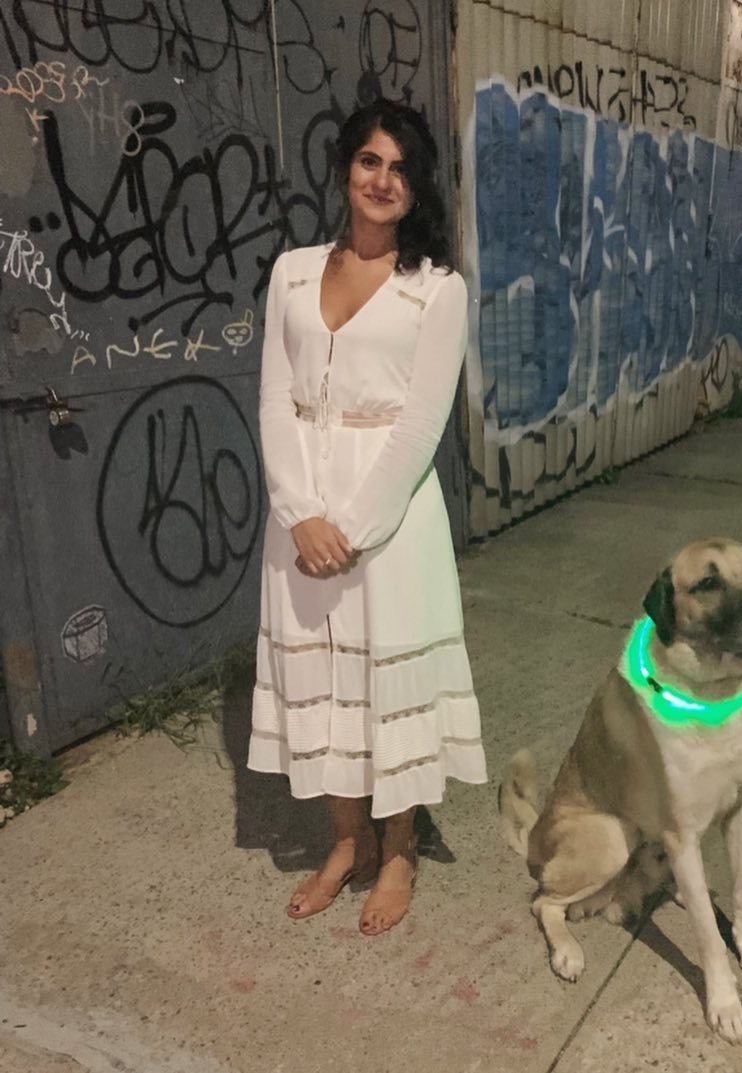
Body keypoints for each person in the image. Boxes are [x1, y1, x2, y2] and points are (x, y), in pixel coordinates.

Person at [247, 99, 487, 935]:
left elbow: (422, 425)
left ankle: (398, 849)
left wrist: (350, 526)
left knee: (390, 686)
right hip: (300, 521)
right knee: (323, 686)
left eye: (401, 168)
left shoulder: (437, 290)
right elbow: (274, 398)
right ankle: (346, 842)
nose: (383, 180)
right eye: (369, 161)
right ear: (345, 167)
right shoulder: (291, 272)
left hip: (388, 524)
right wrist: (299, 512)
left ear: (419, 188)